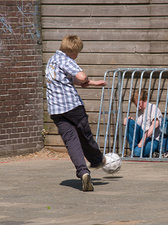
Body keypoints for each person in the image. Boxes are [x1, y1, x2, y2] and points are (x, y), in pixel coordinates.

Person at [45, 35, 106, 192]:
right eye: (77, 52)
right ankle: (97, 159)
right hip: (72, 107)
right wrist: (85, 77)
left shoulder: (51, 61)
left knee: (71, 142)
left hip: (56, 110)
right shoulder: (66, 60)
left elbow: (67, 80)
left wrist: (92, 83)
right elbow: (81, 76)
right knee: (85, 136)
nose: (77, 55)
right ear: (73, 50)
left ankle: (83, 172)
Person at [123, 89, 163, 157]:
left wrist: (143, 139)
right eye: (136, 105)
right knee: (129, 122)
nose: (138, 107)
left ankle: (136, 152)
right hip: (141, 136)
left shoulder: (152, 108)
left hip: (152, 139)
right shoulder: (140, 111)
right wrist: (129, 121)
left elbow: (155, 124)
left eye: (139, 104)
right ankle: (135, 151)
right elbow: (138, 128)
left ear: (145, 99)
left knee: (138, 153)